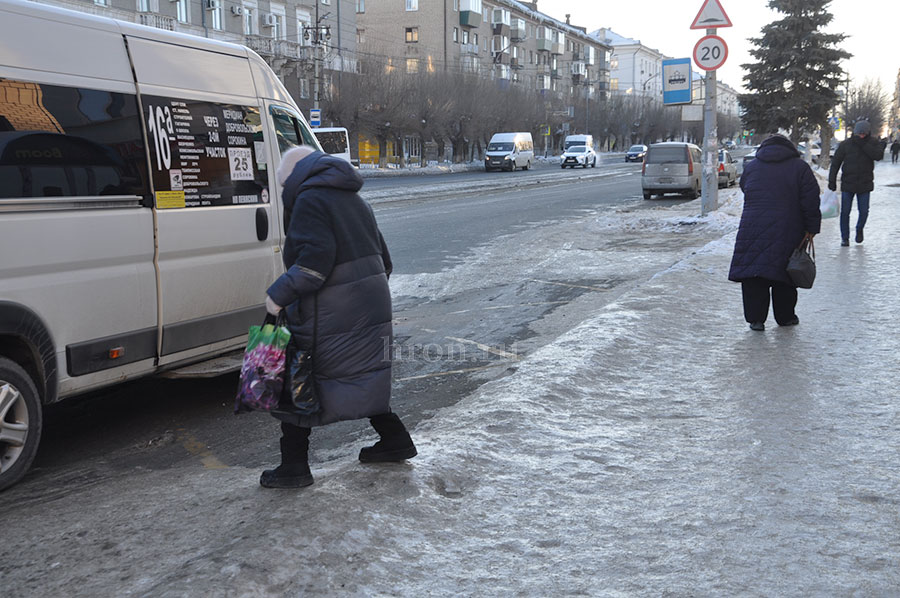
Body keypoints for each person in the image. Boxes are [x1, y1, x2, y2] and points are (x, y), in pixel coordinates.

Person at [260, 145, 416, 489]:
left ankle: (293, 466)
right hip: (369, 302)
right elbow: (385, 261)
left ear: (295, 176)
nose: (283, 188)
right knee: (361, 373)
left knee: (298, 376)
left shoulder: (310, 201)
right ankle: (395, 439)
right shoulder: (355, 200)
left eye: (283, 181)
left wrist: (278, 296)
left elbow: (313, 265)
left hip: (331, 307)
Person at [728, 134, 821, 331]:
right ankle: (785, 317)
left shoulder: (752, 167)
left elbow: (745, 188)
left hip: (752, 226)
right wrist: (812, 227)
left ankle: (756, 319)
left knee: (755, 272)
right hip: (789, 226)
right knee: (785, 272)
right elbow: (811, 200)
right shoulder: (799, 167)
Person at [828, 120, 884, 246]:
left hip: (865, 183)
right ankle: (845, 238)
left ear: (868, 133)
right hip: (848, 183)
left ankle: (859, 229)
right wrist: (832, 180)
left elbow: (878, 156)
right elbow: (835, 163)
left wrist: (863, 145)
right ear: (855, 132)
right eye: (859, 133)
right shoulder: (846, 144)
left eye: (864, 134)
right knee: (845, 212)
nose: (861, 136)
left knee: (864, 212)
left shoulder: (873, 143)